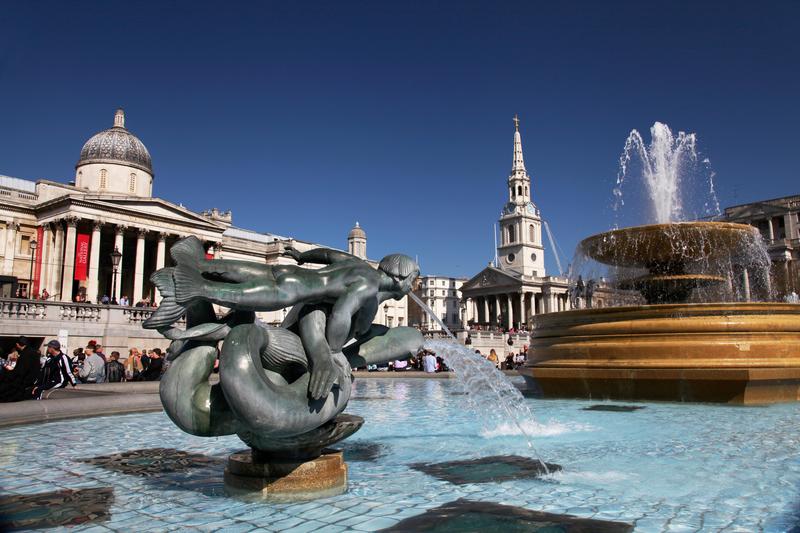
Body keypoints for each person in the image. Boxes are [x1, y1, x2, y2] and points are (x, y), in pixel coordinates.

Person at [147, 236, 420, 400]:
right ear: (401, 276)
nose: (412, 288)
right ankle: (185, 290)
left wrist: (301, 256)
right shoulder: (369, 287)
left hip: (287, 273)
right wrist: (333, 352)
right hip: (287, 291)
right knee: (206, 289)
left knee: (210, 269)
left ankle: (193, 264)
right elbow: (341, 314)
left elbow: (327, 254)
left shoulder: (358, 266)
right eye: (413, 281)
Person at [0, 336, 42, 402]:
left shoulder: (25, 354)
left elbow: (20, 371)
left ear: (17, 344)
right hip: (30, 379)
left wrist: (7, 374)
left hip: (24, 381)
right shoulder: (33, 352)